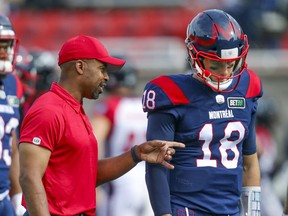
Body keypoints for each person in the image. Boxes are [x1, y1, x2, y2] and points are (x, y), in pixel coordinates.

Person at [18, 34, 185, 216]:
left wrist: (136, 154)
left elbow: (87, 176)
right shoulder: (48, 109)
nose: (106, 77)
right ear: (80, 67)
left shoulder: (74, 108)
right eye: (102, 69)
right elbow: (30, 177)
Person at [142, 9, 262, 216]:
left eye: (231, 65)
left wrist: (253, 213)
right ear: (194, 54)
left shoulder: (248, 87)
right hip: (187, 207)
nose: (225, 74)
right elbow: (156, 164)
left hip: (231, 209)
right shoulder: (170, 92)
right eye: (216, 65)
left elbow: (249, 163)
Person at [91, 56, 153, 216]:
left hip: (120, 177)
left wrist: (90, 180)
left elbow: (93, 143)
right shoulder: (146, 104)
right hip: (150, 179)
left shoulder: (110, 106)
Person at [0, 13, 26, 216]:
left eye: (7, 46)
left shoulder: (13, 83)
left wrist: (17, 195)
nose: (5, 53)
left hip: (4, 196)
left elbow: (13, 146)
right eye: (0, 46)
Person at [255, 97, 283, 216]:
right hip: (258, 181)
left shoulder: (264, 133)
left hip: (265, 181)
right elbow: (265, 161)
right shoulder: (257, 133)